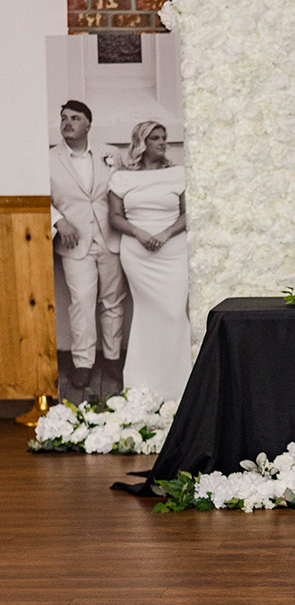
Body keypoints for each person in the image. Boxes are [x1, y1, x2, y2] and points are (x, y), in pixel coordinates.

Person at [108, 122, 191, 402]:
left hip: (173, 251)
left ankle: (180, 385)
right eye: (155, 138)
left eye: (164, 138)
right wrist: (140, 233)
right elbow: (115, 217)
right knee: (146, 314)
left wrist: (165, 233)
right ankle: (142, 383)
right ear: (141, 143)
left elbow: (188, 213)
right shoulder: (121, 178)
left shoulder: (178, 174)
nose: (162, 143)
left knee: (174, 313)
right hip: (138, 252)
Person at [49, 100, 128, 391]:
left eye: (75, 118)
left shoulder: (110, 154)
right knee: (81, 301)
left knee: (113, 302)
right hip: (74, 241)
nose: (67, 122)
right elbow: (40, 197)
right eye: (64, 118)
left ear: (88, 125)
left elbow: (122, 190)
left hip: (110, 236)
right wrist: (58, 221)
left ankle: (112, 359)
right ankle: (82, 363)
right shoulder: (48, 159)